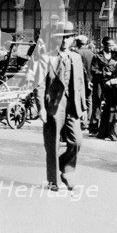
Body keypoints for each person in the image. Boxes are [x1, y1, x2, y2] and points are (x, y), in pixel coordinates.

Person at [35, 24, 89, 191]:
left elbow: (81, 83)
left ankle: (65, 169)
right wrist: (41, 108)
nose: (64, 40)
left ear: (73, 39)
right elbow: (39, 85)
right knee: (52, 145)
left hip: (73, 105)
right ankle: (53, 181)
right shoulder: (46, 58)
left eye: (68, 37)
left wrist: (84, 107)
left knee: (76, 141)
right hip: (54, 106)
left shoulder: (77, 58)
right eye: (61, 37)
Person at [89, 37, 115, 135]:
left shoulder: (114, 56)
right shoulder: (97, 56)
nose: (111, 47)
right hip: (99, 83)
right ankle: (93, 128)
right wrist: (103, 74)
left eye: (112, 45)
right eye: (109, 45)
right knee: (97, 104)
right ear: (104, 45)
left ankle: (106, 129)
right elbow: (93, 70)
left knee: (109, 104)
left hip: (111, 84)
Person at [73, 35, 94, 130]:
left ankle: (80, 120)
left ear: (77, 43)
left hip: (79, 80)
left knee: (78, 99)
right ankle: (87, 121)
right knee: (89, 100)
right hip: (90, 80)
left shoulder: (76, 53)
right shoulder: (91, 53)